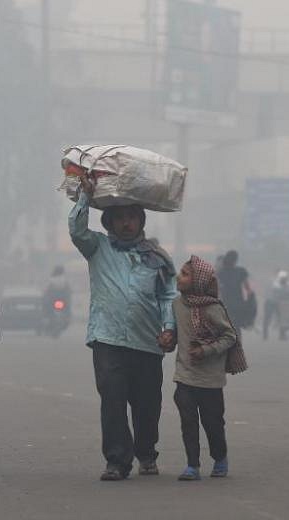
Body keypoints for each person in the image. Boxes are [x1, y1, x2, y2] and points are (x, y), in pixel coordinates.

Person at [69, 175, 177, 481]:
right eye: (120, 218)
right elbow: (76, 230)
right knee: (112, 399)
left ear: (141, 221)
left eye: (132, 218)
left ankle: (146, 453)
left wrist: (169, 327)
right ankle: (116, 460)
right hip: (107, 339)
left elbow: (169, 294)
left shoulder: (157, 258)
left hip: (147, 341)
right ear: (110, 223)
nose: (126, 223)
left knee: (147, 404)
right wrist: (85, 198)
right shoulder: (98, 248)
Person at [172, 255, 237, 480]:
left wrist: (206, 350)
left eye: (185, 274)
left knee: (213, 424)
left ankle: (220, 458)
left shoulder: (212, 308)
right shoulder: (176, 304)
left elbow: (230, 337)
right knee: (188, 423)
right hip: (184, 376)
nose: (178, 277)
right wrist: (165, 338)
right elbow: (174, 335)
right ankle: (192, 465)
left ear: (198, 282)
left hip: (210, 380)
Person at [216, 250, 254, 331]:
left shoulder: (220, 273)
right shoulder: (241, 271)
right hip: (239, 304)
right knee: (237, 326)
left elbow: (218, 291)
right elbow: (248, 289)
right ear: (236, 260)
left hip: (226, 305)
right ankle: (249, 322)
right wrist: (250, 301)